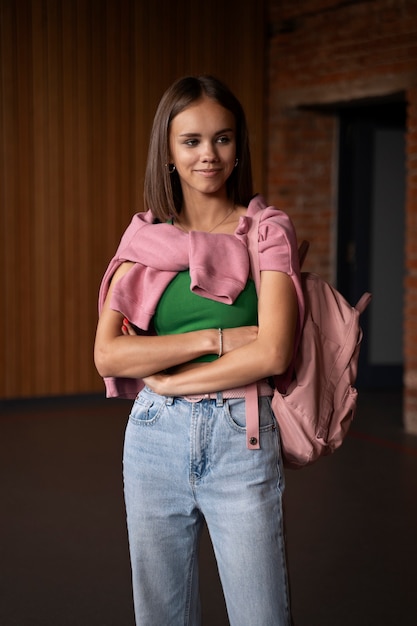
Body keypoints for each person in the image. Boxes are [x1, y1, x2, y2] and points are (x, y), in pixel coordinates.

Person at [94, 75, 304, 626]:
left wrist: (170, 375)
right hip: (152, 439)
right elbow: (108, 356)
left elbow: (275, 352)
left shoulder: (266, 232)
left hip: (243, 433)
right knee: (160, 616)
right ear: (167, 151)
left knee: (262, 617)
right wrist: (218, 340)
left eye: (223, 138)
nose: (208, 155)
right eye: (191, 141)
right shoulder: (143, 239)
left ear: (239, 148)